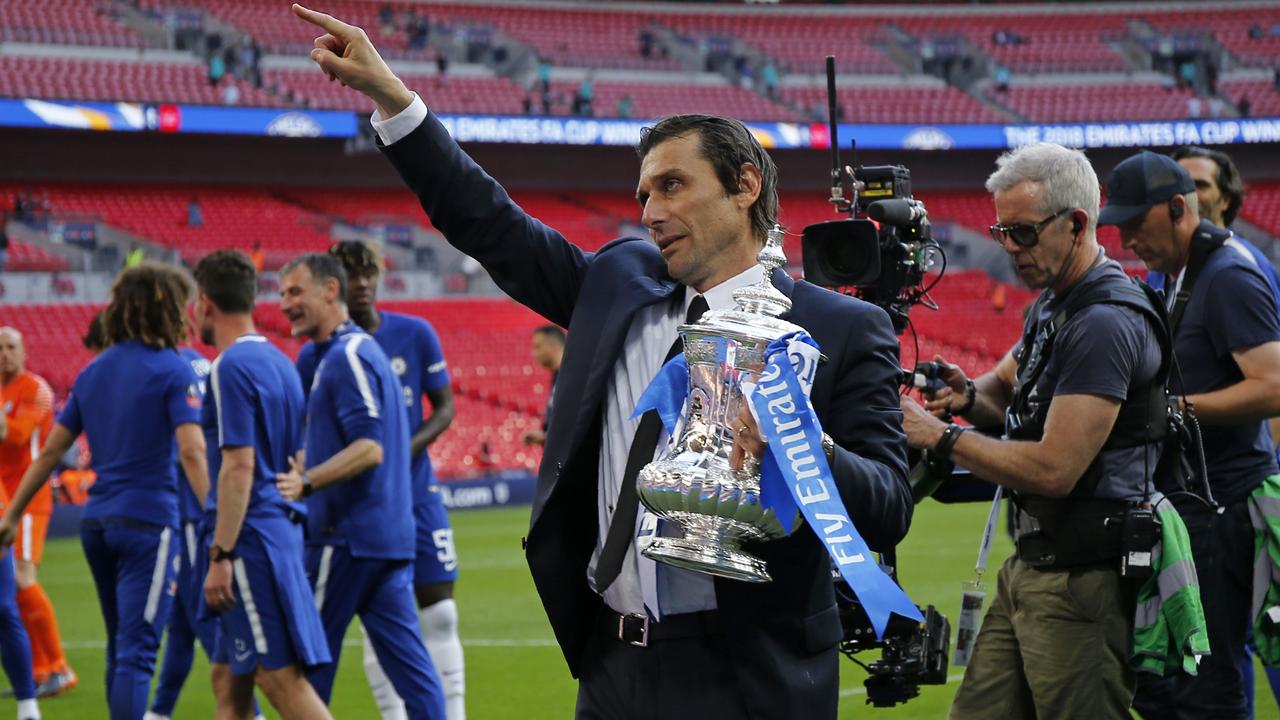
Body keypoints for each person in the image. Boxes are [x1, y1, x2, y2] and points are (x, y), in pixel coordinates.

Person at [290, 5, 911, 716]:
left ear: (744, 187)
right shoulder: (617, 284)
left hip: (747, 672)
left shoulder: (840, 327)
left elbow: (888, 507)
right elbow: (489, 223)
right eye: (644, 192)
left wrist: (804, 443)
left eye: (673, 186)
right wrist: (395, 102)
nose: (649, 210)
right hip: (612, 664)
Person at [899, 142, 1168, 718]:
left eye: (1022, 232)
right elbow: (1005, 395)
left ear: (1076, 224)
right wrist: (965, 394)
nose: (1010, 249)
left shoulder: (1103, 322)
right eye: (1001, 232)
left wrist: (940, 435)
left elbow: (1055, 468)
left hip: (1083, 577)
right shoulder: (1053, 305)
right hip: (1033, 565)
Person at [1104, 152, 1280, 720]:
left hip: (1221, 508)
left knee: (1205, 685)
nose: (1128, 239)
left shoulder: (1228, 273)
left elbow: (1275, 386)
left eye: (1137, 224)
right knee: (1171, 681)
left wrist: (1175, 409)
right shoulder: (1180, 269)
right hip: (1194, 506)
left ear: (1180, 208)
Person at [0, 262, 210, 719]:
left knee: (120, 648)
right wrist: (215, 514)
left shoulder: (94, 372)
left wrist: (12, 514)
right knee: (138, 655)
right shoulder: (174, 370)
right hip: (150, 522)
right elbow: (192, 453)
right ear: (170, 308)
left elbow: (51, 453)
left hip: (98, 523)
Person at [297, 241, 463, 720]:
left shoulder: (414, 333)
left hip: (417, 494)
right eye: (352, 273)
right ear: (333, 285)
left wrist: (399, 452)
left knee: (439, 612)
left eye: (370, 272)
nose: (364, 282)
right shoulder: (314, 357)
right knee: (381, 621)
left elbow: (444, 407)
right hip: (356, 511)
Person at [189, 250, 333, 719]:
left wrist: (221, 555)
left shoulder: (228, 368)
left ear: (205, 304)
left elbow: (238, 467)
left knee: (279, 680)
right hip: (279, 529)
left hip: (249, 539)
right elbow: (295, 456)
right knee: (229, 680)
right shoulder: (281, 361)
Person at [0, 329, 74, 698]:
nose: (4, 354)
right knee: (10, 588)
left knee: (21, 579)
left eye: (11, 347)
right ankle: (39, 670)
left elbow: (14, 435)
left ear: (25, 350)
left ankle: (57, 666)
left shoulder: (36, 389)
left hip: (27, 498)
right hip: (2, 498)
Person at [521, 325, 564, 447]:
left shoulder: (572, 378)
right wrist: (544, 437)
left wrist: (545, 437)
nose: (534, 353)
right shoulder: (558, 376)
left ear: (554, 345)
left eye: (538, 346)